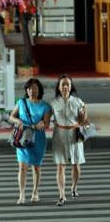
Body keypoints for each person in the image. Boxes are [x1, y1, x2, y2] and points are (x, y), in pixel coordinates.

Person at [9, 78, 51, 206]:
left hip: (38, 139)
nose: (32, 91)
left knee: (36, 167)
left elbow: (47, 123)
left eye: (34, 88)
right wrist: (18, 121)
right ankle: (21, 194)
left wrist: (42, 123)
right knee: (22, 167)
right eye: (29, 88)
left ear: (39, 90)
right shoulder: (21, 103)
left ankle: (35, 192)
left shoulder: (45, 106)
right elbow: (11, 117)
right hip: (23, 138)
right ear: (26, 90)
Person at [50, 74, 88, 206]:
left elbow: (84, 120)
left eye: (68, 84)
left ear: (71, 86)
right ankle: (62, 195)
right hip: (59, 135)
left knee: (76, 165)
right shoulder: (54, 103)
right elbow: (46, 118)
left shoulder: (78, 101)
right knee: (60, 166)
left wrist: (83, 118)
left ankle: (74, 187)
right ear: (59, 87)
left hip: (74, 135)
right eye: (63, 84)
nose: (65, 86)